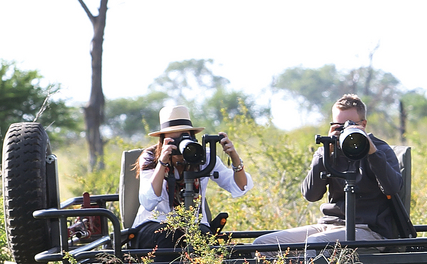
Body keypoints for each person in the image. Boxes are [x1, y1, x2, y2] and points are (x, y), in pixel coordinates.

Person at [253, 94, 405, 245]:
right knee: (262, 244)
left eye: (351, 124)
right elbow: (311, 195)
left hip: (369, 230)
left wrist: (372, 153)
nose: (345, 129)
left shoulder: (380, 149)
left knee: (315, 243)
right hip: (329, 225)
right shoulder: (328, 151)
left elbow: (392, 188)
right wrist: (326, 153)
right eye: (339, 125)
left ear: (363, 124)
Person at [133, 103, 252, 248]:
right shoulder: (151, 157)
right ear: (162, 140)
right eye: (173, 139)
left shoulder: (204, 156)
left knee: (203, 237)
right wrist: (162, 162)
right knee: (168, 235)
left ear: (192, 137)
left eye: (183, 138)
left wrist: (234, 157)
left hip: (193, 225)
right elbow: (148, 201)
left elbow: (240, 187)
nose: (178, 145)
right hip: (154, 225)